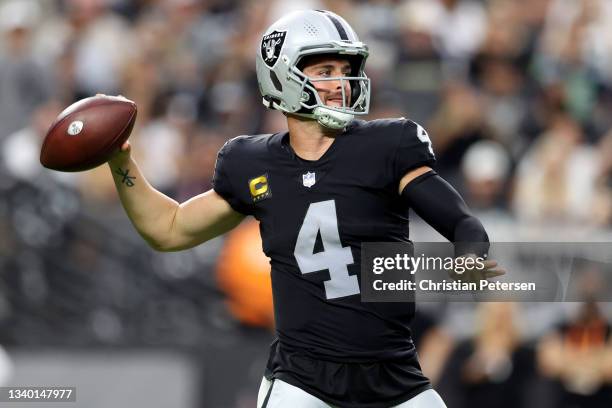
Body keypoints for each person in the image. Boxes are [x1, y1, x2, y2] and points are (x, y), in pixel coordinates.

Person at [107, 10, 501, 408]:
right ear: (281, 76)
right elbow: (169, 228)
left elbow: (463, 225)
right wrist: (122, 164)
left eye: (346, 69)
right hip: (303, 383)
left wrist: (468, 256)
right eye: (326, 69)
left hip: (394, 378)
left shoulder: (387, 146)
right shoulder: (252, 163)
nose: (342, 83)